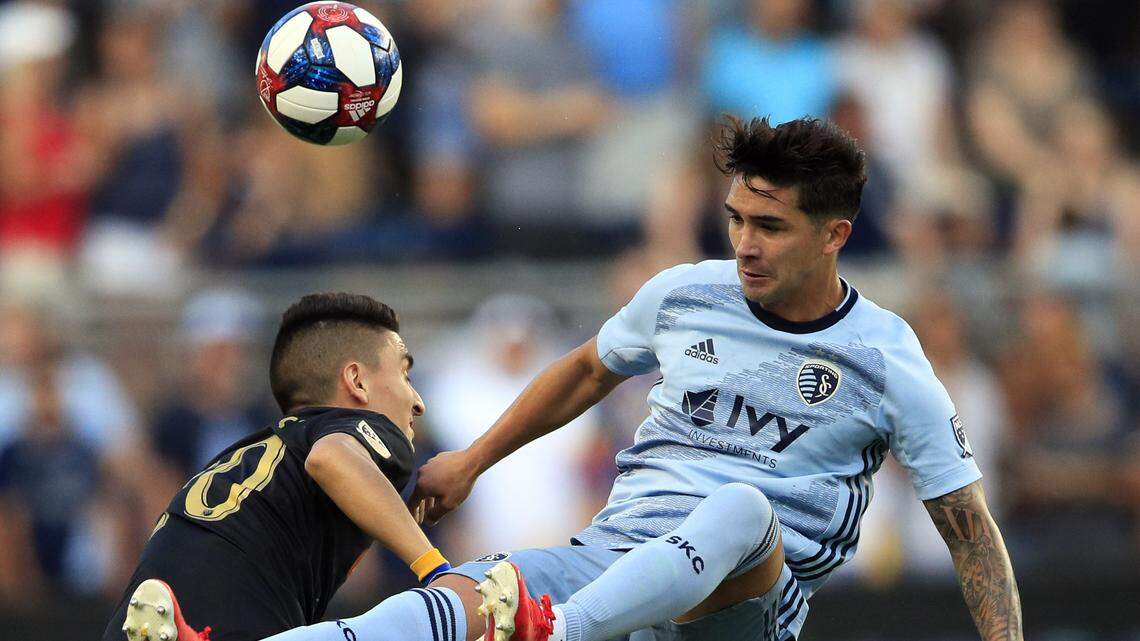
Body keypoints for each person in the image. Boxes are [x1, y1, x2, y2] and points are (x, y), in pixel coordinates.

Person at [209, 116, 1023, 641]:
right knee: (456, 598)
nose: (744, 243)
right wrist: (473, 459)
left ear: (835, 234)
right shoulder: (684, 294)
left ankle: (554, 635)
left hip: (740, 611)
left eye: (770, 227)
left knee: (740, 506)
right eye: (737, 218)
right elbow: (587, 370)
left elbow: (967, 526)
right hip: (610, 559)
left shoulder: (887, 357)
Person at [103, 293, 450, 641]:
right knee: (471, 596)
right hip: (229, 625)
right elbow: (330, 458)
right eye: (405, 374)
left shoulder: (249, 456)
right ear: (357, 381)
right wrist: (434, 569)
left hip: (137, 619)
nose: (418, 401)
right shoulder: (365, 427)